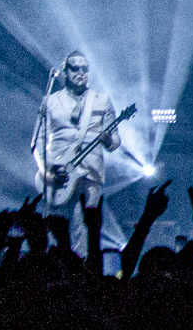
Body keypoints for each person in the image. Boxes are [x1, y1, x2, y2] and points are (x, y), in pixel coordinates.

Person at [30, 51, 125, 257]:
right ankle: (58, 266)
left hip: (90, 173)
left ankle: (82, 267)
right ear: (65, 72)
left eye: (85, 69)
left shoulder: (101, 100)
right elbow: (37, 141)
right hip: (58, 174)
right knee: (56, 226)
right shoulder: (50, 101)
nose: (81, 73)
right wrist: (46, 172)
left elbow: (116, 140)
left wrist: (108, 140)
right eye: (75, 68)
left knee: (86, 228)